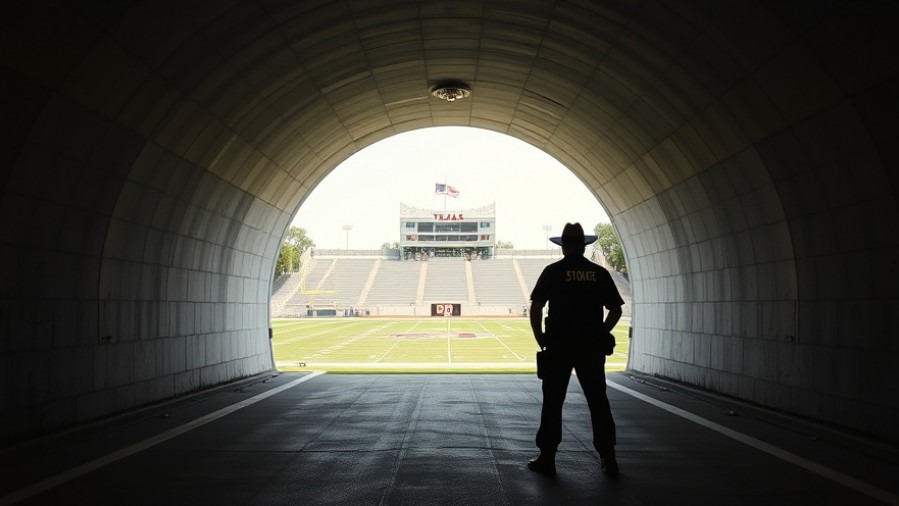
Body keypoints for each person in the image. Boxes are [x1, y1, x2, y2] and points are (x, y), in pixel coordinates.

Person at [527, 222, 624, 477]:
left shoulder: (553, 271)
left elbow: (536, 306)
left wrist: (540, 338)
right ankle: (608, 458)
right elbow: (616, 309)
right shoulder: (598, 273)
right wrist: (602, 332)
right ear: (583, 246)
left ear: (563, 246)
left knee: (552, 402)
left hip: (559, 346)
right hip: (591, 348)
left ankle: (547, 457)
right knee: (598, 402)